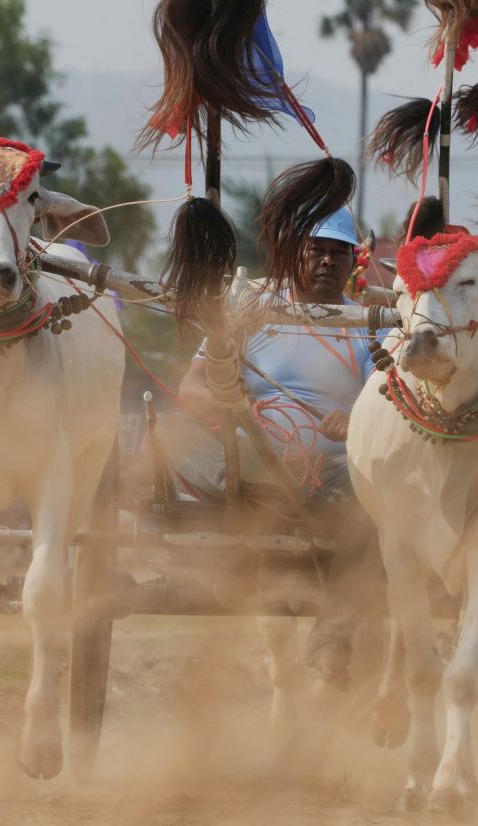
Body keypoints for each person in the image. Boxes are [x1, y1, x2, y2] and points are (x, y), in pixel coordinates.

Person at [175, 207, 384, 688]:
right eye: (317, 251)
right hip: (244, 453)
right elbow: (192, 389)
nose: (327, 262)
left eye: (338, 252)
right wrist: (232, 406)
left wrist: (354, 423)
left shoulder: (371, 325)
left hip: (330, 469)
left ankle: (332, 641)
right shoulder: (249, 309)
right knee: (171, 439)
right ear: (296, 257)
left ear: (355, 260)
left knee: (375, 510)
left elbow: (384, 407)